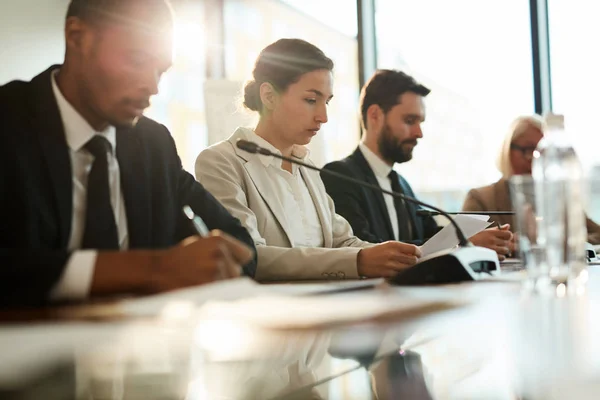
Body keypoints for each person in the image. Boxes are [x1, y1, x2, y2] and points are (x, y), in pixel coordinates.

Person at [0, 0, 256, 307]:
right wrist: (150, 269)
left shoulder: (153, 144)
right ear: (77, 36)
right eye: (136, 60)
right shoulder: (8, 120)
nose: (152, 86)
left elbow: (240, 246)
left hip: (138, 345)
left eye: (160, 70)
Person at [195, 39, 421, 281]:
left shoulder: (307, 167)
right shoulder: (220, 162)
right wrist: (358, 261)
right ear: (269, 96)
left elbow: (341, 240)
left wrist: (399, 254)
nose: (323, 116)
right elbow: (249, 255)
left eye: (327, 102)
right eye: (311, 100)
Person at [322, 69, 513, 259]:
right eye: (409, 120)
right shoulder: (338, 176)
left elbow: (429, 237)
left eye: (420, 122)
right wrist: (462, 243)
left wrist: (478, 240)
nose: (419, 133)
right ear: (375, 115)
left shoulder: (403, 185)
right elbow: (363, 247)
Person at [463, 115, 600, 244]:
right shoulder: (481, 199)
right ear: (508, 150)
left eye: (542, 153)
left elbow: (598, 234)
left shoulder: (557, 198)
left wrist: (557, 243)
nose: (535, 160)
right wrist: (502, 247)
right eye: (529, 150)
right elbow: (458, 245)